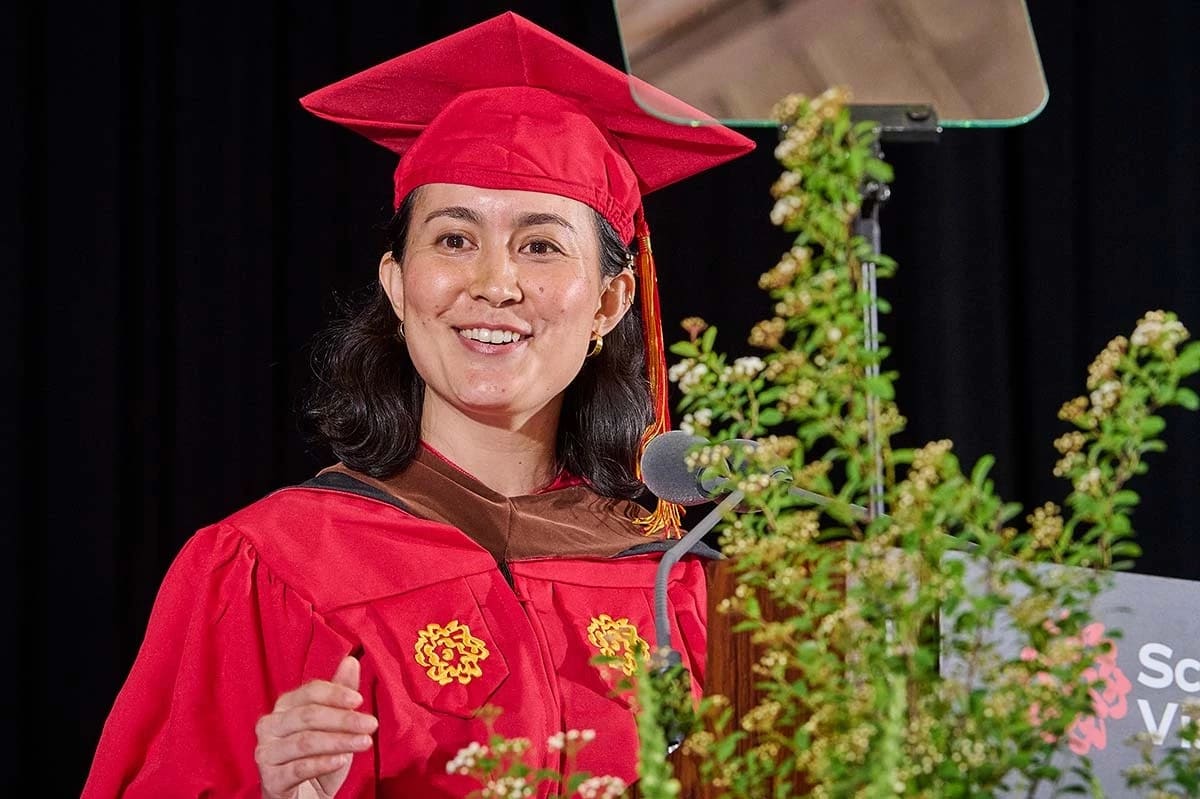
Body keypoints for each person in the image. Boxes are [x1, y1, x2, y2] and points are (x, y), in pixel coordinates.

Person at [82, 12, 753, 798]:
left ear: (609, 303)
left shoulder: (676, 588)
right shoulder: (274, 564)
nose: (494, 283)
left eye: (540, 245)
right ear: (399, 286)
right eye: (454, 240)